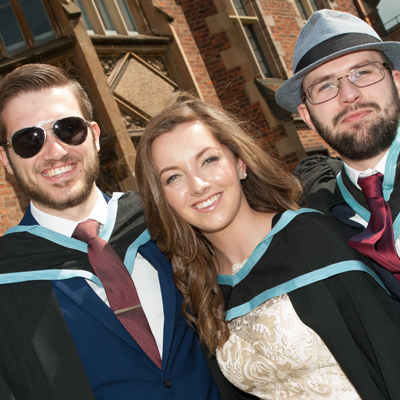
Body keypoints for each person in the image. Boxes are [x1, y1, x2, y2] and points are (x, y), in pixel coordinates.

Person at [135, 91, 400, 399]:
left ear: (240, 163)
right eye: (173, 178)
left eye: (209, 160)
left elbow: (390, 359)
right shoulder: (199, 286)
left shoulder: (312, 241)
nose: (198, 185)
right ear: (163, 199)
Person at [0, 63, 239, 400]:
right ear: (7, 160)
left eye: (68, 129)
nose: (55, 152)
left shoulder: (166, 217)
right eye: (29, 140)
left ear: (95, 135)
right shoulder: (7, 274)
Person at [275, 9, 400, 303]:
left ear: (396, 81)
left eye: (363, 72)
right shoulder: (314, 222)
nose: (349, 94)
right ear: (306, 116)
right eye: (326, 86)